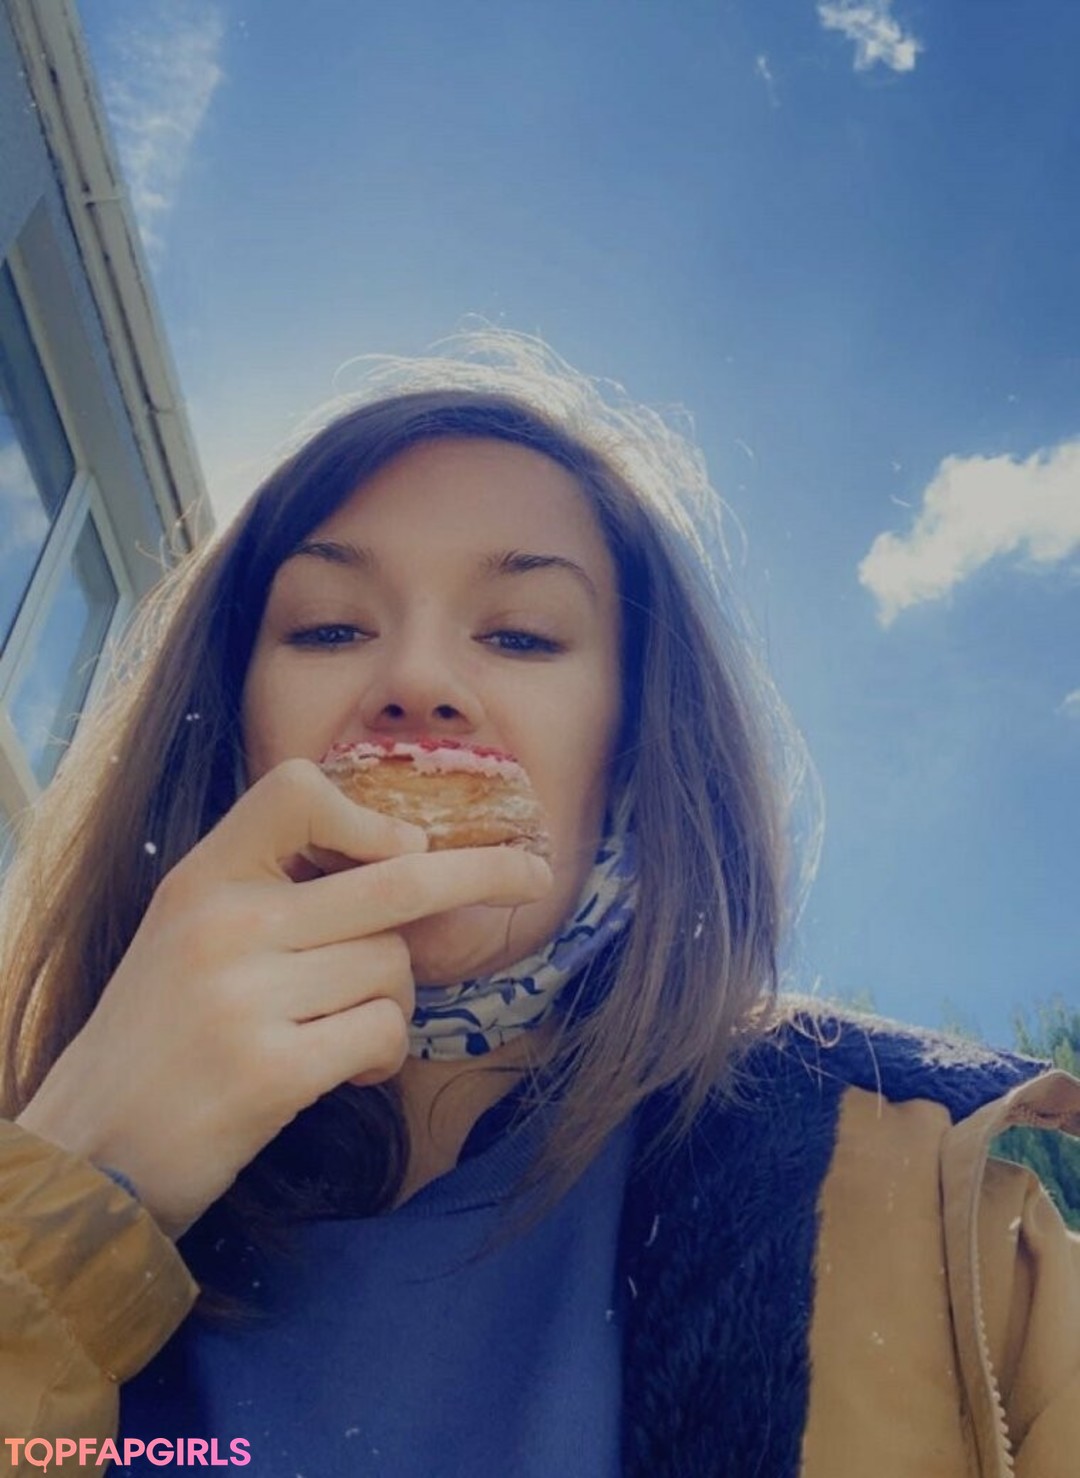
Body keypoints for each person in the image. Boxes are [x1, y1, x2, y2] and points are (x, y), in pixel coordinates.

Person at [0, 332, 1077, 1478]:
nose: (418, 681)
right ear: (227, 729)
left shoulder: (938, 1217)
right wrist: (63, 1203)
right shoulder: (32, 1139)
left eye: (521, 633)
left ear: (630, 749)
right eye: (329, 627)